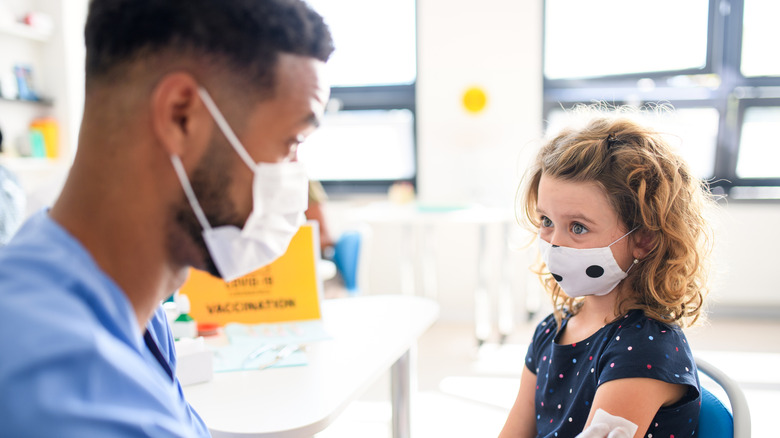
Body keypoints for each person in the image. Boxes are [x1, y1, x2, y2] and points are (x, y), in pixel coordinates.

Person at [0, 0, 333, 436]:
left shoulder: (123, 298)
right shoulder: (64, 388)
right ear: (181, 116)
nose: (293, 176)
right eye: (290, 142)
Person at [498, 107, 715, 438]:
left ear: (643, 239)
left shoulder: (645, 349)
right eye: (546, 221)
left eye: (578, 227)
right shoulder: (552, 328)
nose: (555, 243)